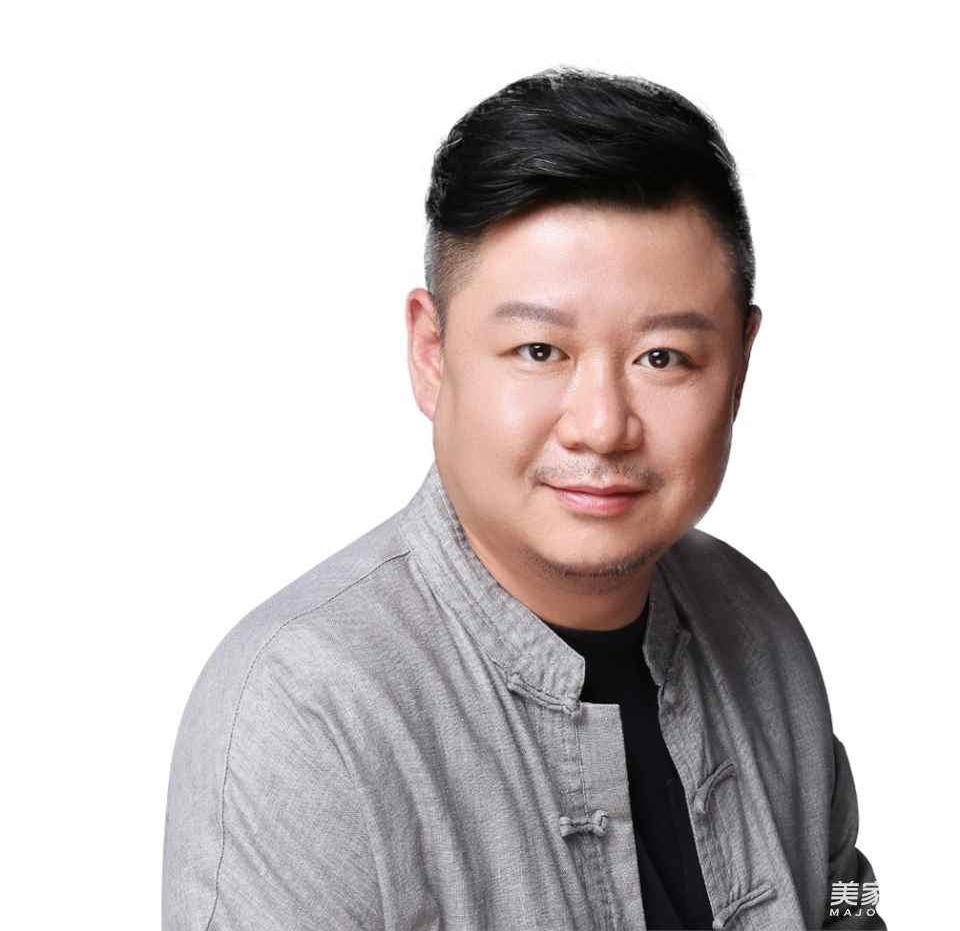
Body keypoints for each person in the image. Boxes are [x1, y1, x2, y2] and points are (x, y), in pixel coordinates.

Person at [162, 66, 884, 930]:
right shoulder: (306, 710)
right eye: (541, 351)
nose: (602, 427)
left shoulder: (759, 627)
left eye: (662, 358)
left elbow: (851, 903)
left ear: (740, 365)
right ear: (432, 354)